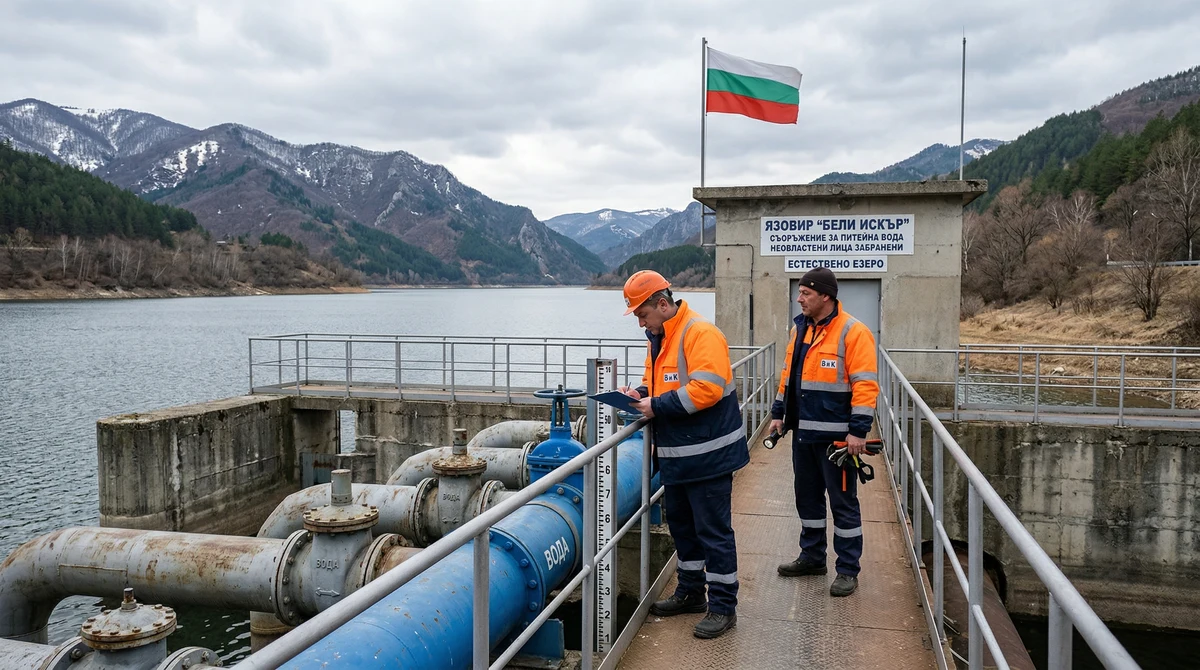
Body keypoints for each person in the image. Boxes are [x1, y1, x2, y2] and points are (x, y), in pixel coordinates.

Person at [617, 269, 749, 639]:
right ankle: (691, 592)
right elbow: (660, 382)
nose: (639, 322)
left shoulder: (700, 333)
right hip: (677, 456)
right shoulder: (657, 337)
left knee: (713, 532)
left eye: (641, 314)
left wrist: (656, 406)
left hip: (709, 456)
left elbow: (706, 389)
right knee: (683, 529)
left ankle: (723, 607)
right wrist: (640, 395)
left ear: (662, 304)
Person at [768, 266, 879, 597]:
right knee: (807, 499)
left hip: (837, 441)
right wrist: (779, 413)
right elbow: (788, 375)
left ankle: (847, 569)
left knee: (843, 503)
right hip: (803, 435)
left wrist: (858, 432)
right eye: (799, 292)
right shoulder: (798, 329)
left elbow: (865, 385)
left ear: (826, 297)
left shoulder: (853, 332)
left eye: (806, 293)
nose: (798, 298)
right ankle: (813, 556)